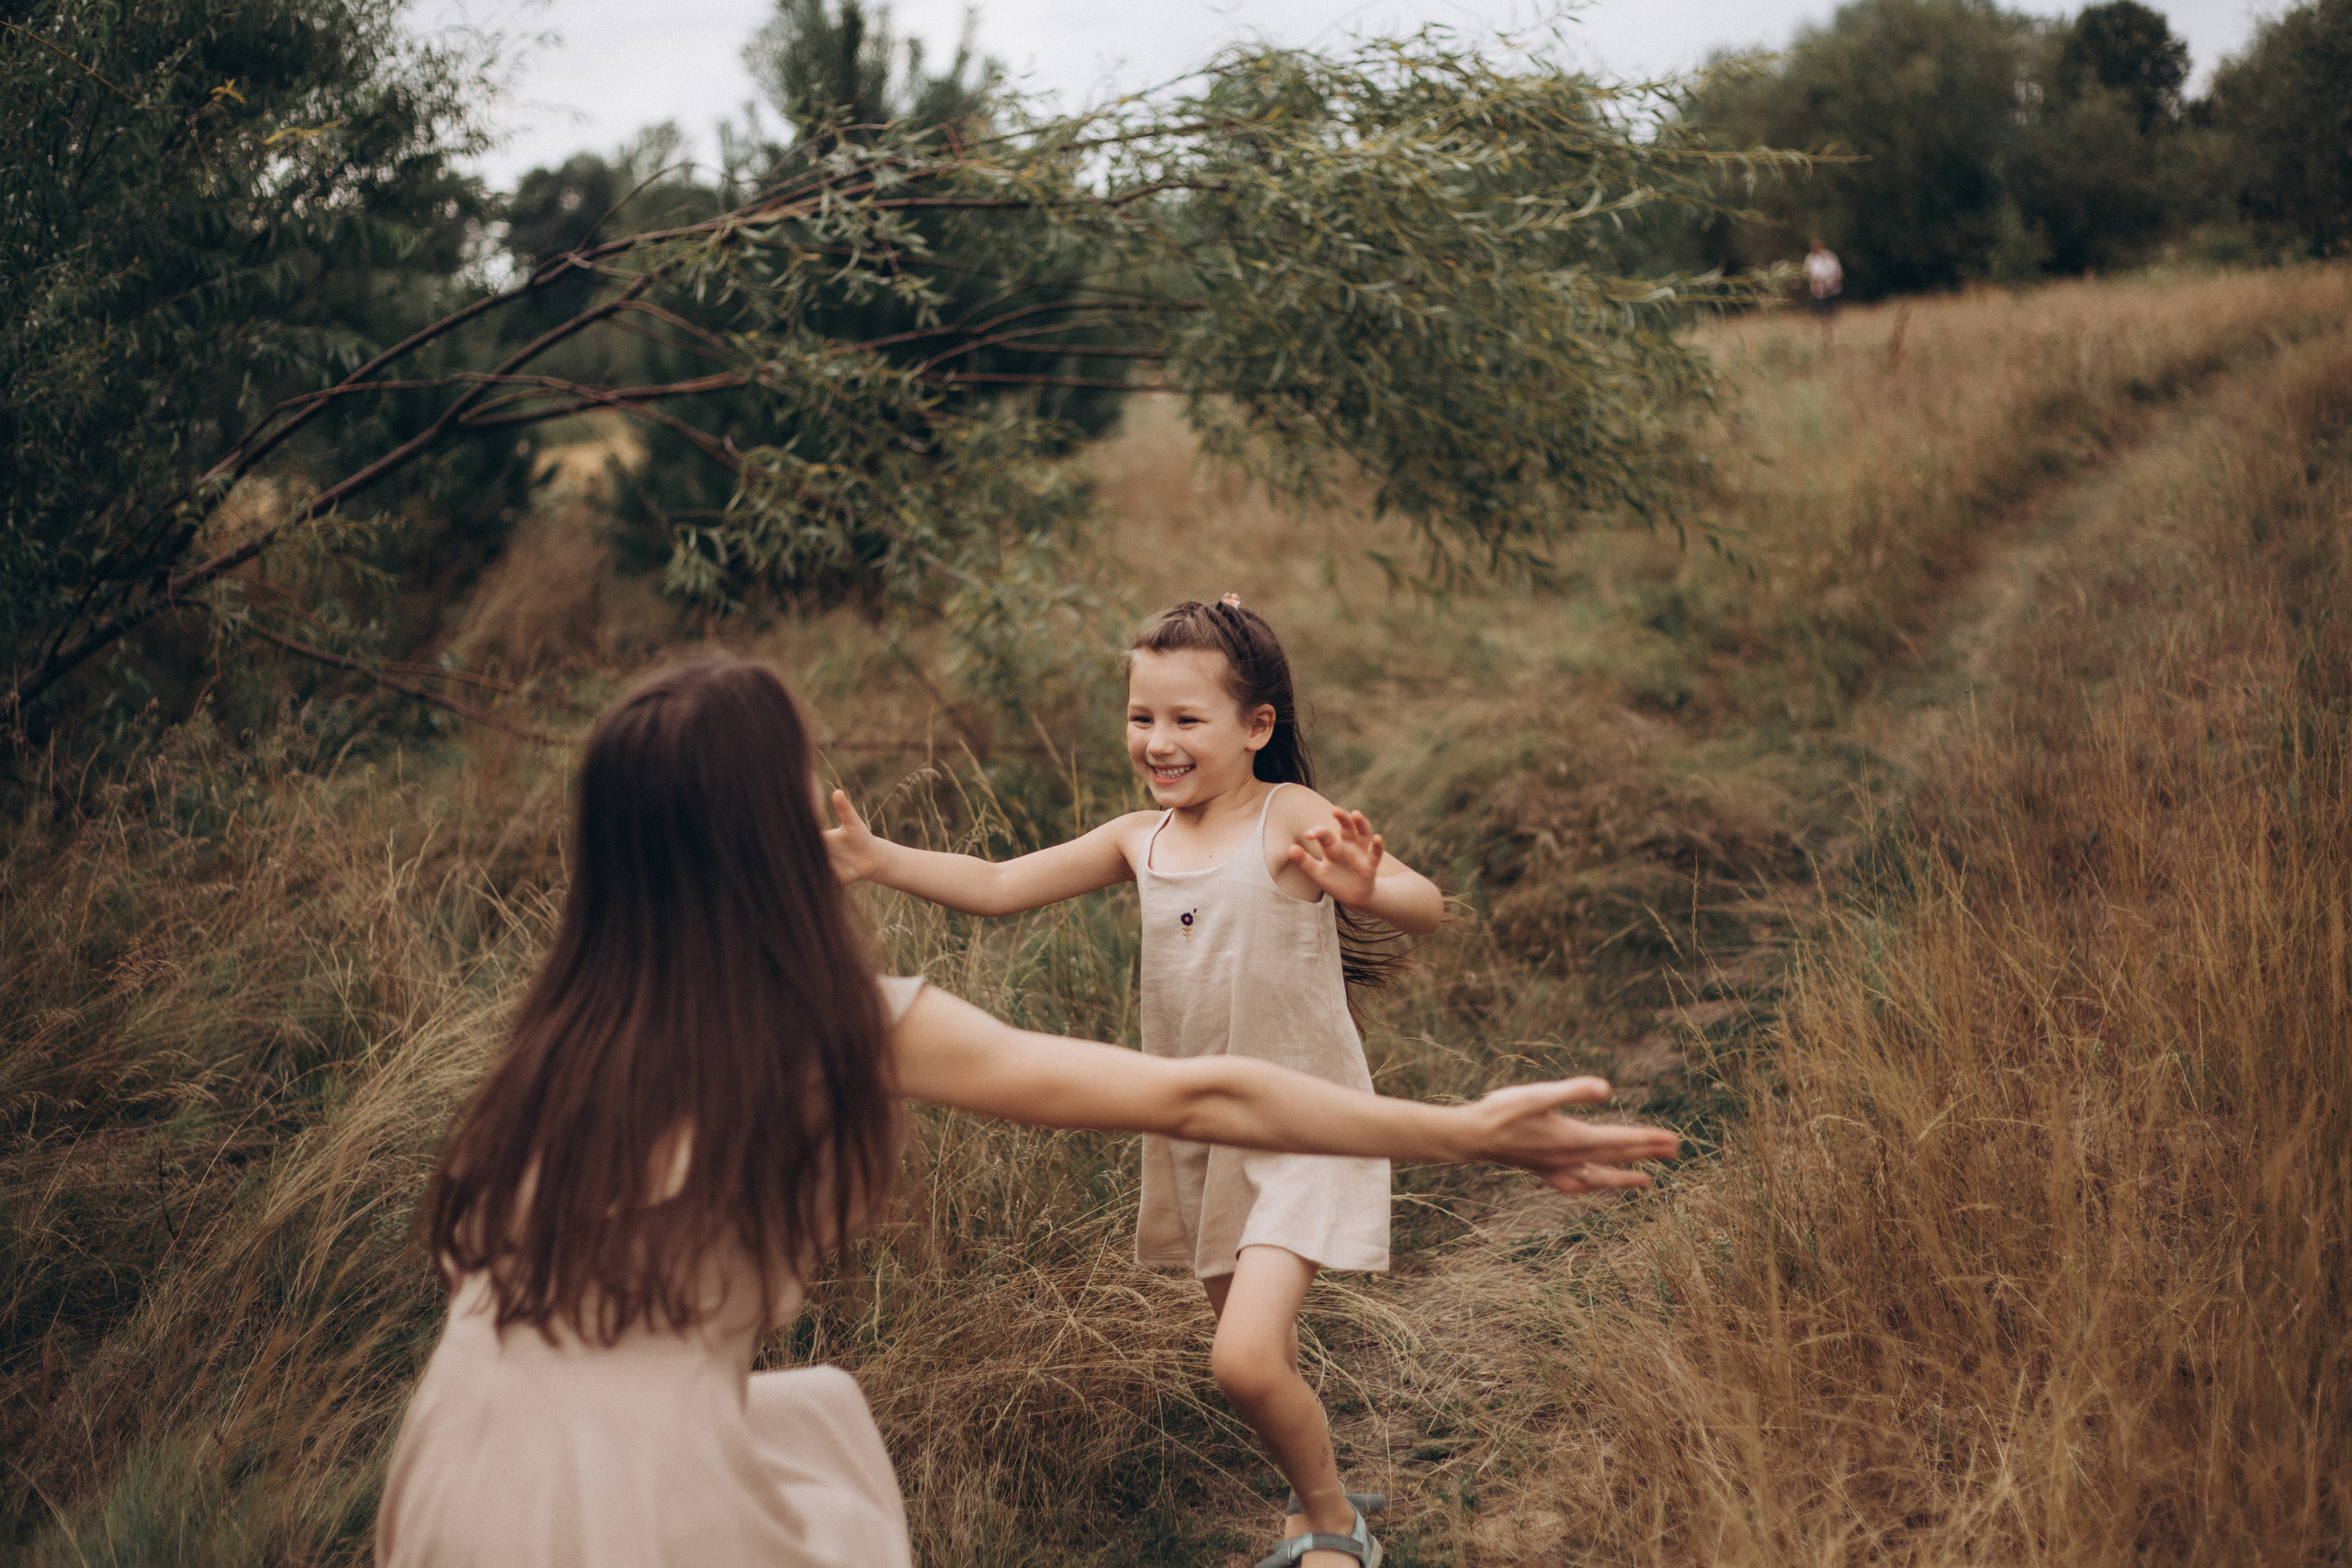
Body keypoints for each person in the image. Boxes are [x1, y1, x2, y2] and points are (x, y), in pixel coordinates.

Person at [377, 652, 1678, 1568]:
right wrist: (1467, 1128)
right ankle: (1328, 1506)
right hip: (630, 1496)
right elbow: (1195, 1086)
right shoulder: (835, 1022)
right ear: (765, 830)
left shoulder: (551, 1043)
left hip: (459, 1454)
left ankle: (1325, 1505)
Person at [830, 597, 1555, 1568]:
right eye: (1141, 719)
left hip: (1308, 1127)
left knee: (1242, 1360)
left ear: (1257, 728)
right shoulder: (1142, 838)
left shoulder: (1286, 815)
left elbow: (1424, 907)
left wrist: (1368, 886)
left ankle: (1335, 1524)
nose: (1158, 743)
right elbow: (998, 884)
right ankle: (1315, 1488)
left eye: (1185, 721)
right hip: (1200, 1133)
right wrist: (878, 862)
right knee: (1257, 1361)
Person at [1804, 237, 1844, 341]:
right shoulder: (1810, 258)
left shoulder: (1830, 257)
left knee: (1831, 315)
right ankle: (1822, 337)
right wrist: (1814, 279)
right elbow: (1807, 273)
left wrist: (1830, 281)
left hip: (1830, 290)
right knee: (1820, 316)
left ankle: (1832, 337)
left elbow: (1838, 273)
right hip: (1818, 291)